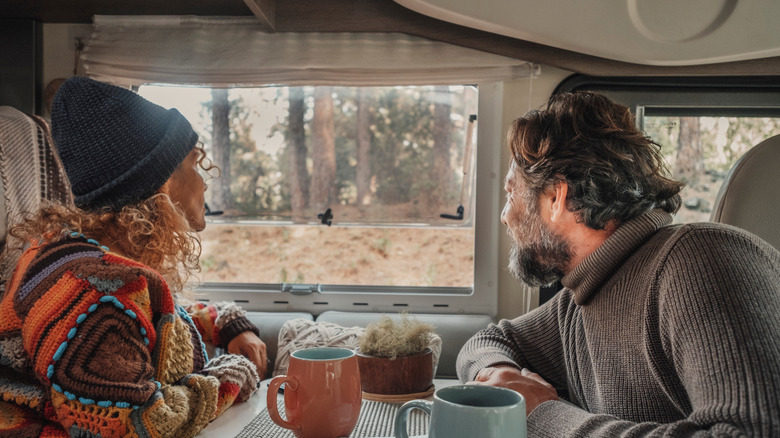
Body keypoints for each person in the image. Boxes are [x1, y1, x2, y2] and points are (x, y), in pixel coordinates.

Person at [456, 91, 780, 437]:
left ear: (556, 197)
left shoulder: (700, 261)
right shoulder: (580, 299)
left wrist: (542, 415)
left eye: (511, 194)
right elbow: (488, 341)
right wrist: (504, 376)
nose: (506, 217)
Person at [0, 76, 268, 437]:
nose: (204, 181)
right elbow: (134, 425)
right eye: (193, 163)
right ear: (162, 183)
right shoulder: (98, 294)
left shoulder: (90, 263)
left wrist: (224, 323)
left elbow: (158, 316)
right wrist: (230, 377)